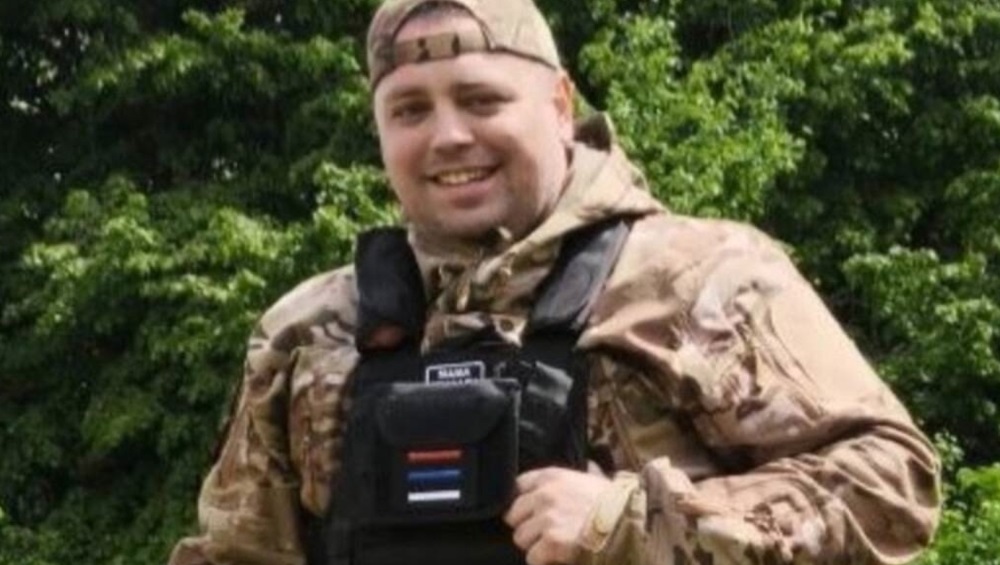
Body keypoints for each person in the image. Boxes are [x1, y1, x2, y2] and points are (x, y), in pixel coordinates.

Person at [168, 0, 941, 564]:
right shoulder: (310, 330)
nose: (448, 136)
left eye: (482, 99)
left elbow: (892, 484)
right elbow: (237, 552)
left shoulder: (700, 279)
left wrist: (631, 524)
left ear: (560, 106)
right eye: (409, 111)